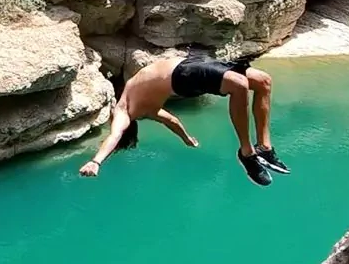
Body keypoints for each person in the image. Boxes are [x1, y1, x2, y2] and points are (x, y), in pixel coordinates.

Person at [78, 47, 290, 185]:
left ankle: (265, 147)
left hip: (191, 61)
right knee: (240, 85)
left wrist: (186, 138)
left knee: (264, 81)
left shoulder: (139, 103)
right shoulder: (124, 114)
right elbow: (113, 137)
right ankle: (247, 152)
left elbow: (172, 121)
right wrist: (96, 162)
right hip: (183, 76)